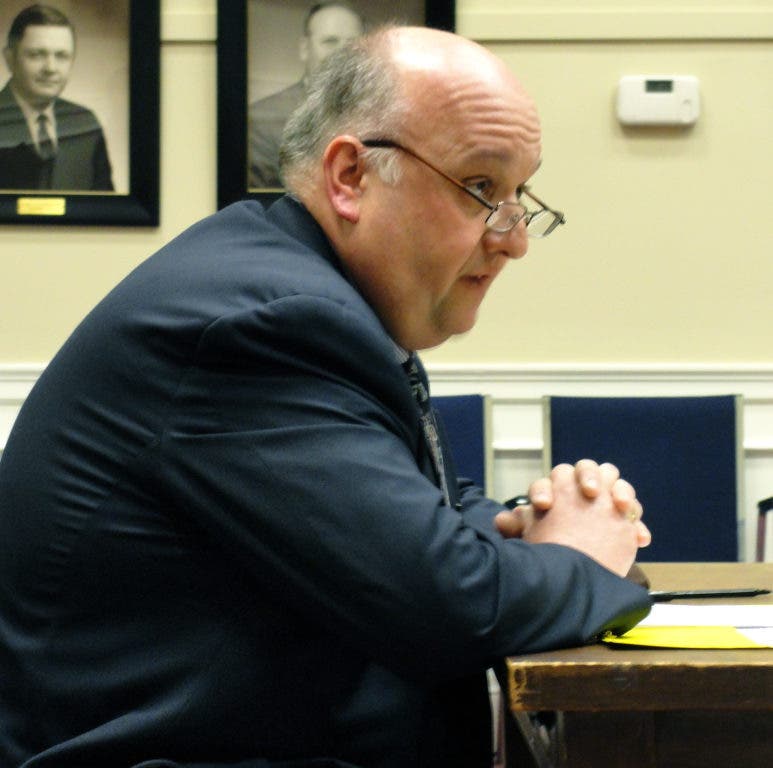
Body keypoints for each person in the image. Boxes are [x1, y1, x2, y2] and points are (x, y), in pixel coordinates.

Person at [0, 25, 652, 768]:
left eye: (519, 196)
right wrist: (582, 555)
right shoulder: (268, 326)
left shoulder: (301, 290)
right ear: (350, 176)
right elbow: (449, 612)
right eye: (480, 188)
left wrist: (521, 528)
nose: (514, 239)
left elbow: (411, 512)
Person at [248, 1, 364, 189]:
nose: (342, 52)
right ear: (304, 48)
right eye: (330, 41)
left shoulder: (383, 115)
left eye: (352, 43)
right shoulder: (262, 122)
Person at [0, 4, 113, 191]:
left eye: (61, 56)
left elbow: (107, 205)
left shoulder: (85, 123)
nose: (51, 68)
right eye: (36, 55)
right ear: (10, 59)